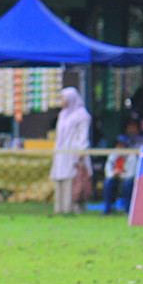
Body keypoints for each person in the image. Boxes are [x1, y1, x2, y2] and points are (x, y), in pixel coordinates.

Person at [50, 87, 91, 216]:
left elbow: (83, 135)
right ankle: (59, 207)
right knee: (60, 177)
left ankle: (71, 207)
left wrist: (81, 150)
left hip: (73, 151)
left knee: (72, 178)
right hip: (61, 151)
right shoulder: (63, 114)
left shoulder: (82, 115)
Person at [102, 134, 138, 214]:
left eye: (122, 145)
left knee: (128, 184)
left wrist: (120, 174)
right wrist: (113, 174)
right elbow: (107, 171)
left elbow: (131, 174)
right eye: (118, 145)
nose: (119, 147)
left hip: (126, 179)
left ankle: (127, 209)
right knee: (108, 182)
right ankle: (107, 209)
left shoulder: (131, 156)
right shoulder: (112, 155)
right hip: (115, 178)